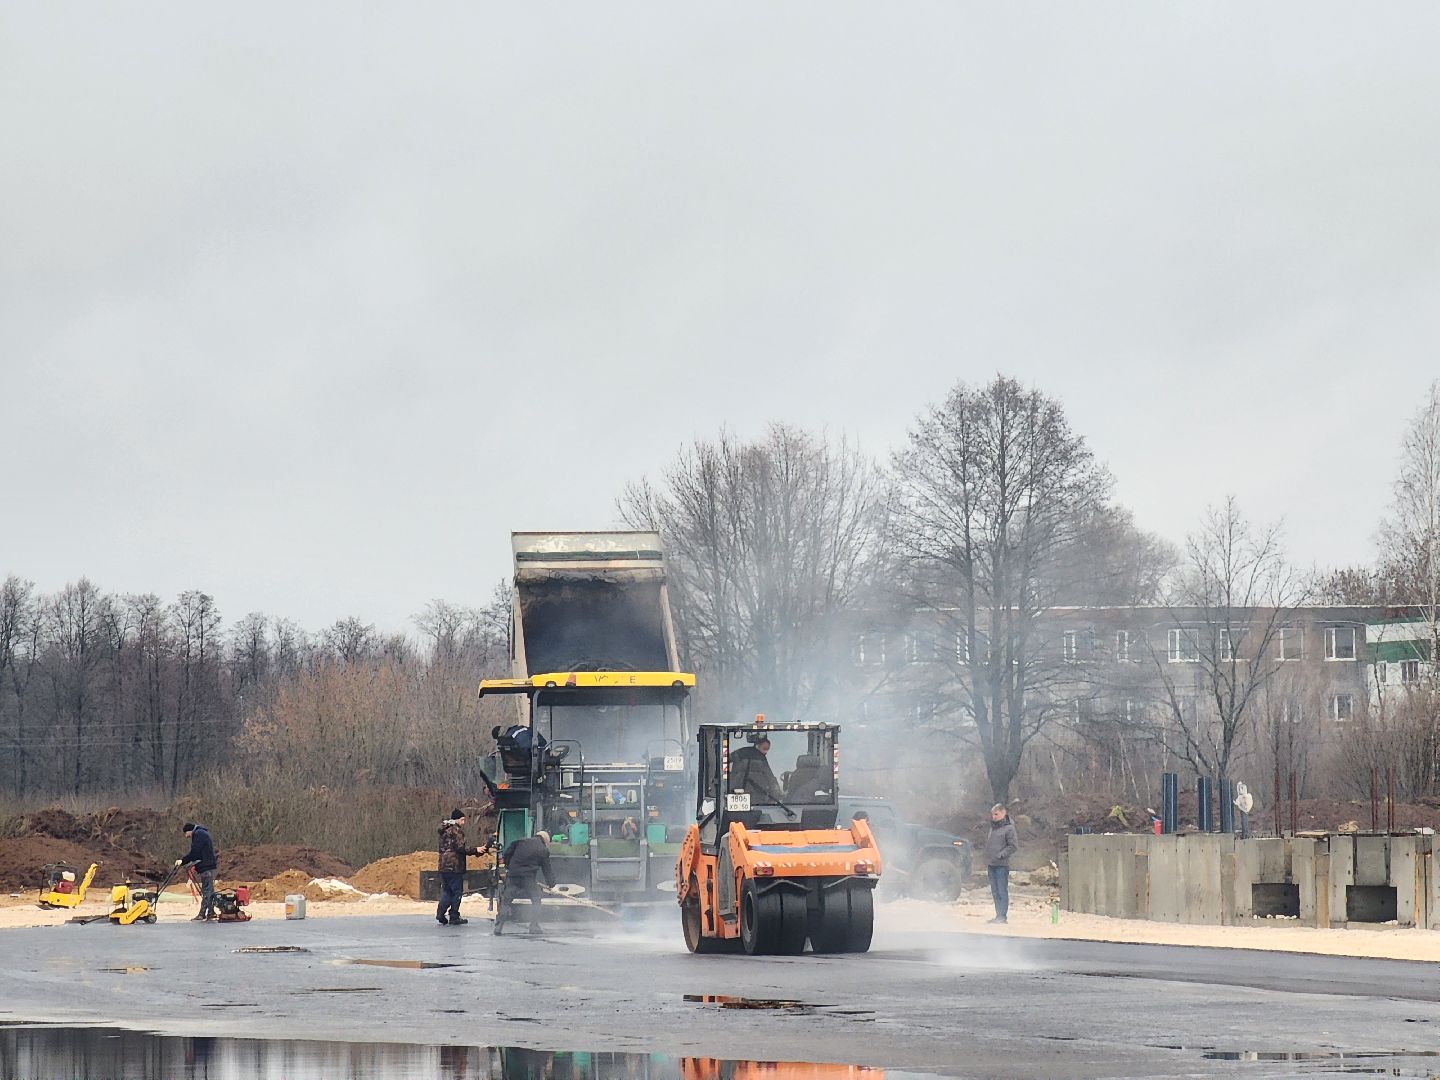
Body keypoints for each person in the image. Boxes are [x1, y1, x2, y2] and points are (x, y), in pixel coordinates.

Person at [494, 830, 555, 936]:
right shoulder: (543, 849)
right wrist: (551, 883)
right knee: (536, 899)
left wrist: (510, 866)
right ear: (545, 841)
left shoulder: (520, 841)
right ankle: (534, 926)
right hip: (528, 878)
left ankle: (499, 926)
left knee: (506, 901)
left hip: (513, 876)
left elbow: (506, 854)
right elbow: (547, 869)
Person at [437, 808, 485, 927]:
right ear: (457, 819)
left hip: (443, 866)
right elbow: (461, 848)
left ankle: (440, 913)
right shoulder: (456, 831)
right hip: (455, 866)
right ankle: (454, 916)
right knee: (457, 892)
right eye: (462, 820)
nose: (463, 822)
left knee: (447, 891)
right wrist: (476, 850)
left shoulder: (444, 830)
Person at [985, 803, 1019, 924]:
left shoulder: (1009, 828)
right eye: (992, 814)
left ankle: (1002, 916)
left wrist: (1001, 855)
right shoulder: (993, 828)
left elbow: (1013, 846)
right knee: (994, 891)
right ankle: (998, 915)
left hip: (1001, 865)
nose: (993, 817)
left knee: (1001, 891)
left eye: (996, 814)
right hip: (991, 864)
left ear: (1003, 813)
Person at [176, 822, 218, 922]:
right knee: (209, 890)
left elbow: (195, 852)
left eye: (186, 834)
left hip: (206, 866)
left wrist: (183, 860)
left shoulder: (198, 834)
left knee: (206, 891)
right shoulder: (202, 833)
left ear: (189, 831)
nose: (186, 836)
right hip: (208, 865)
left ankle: (202, 914)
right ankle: (211, 912)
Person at [729, 735, 785, 804]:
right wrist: (776, 796)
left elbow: (724, 760)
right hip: (757, 799)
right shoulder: (761, 759)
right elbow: (770, 778)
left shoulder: (738, 753)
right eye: (764, 748)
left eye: (767, 749)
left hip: (736, 797)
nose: (766, 752)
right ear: (757, 745)